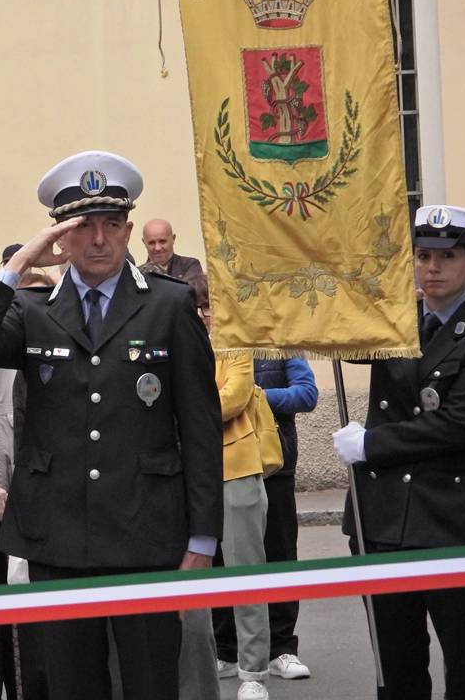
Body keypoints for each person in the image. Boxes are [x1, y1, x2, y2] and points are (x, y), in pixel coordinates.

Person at [0, 151, 223, 700]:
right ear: (60, 236)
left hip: (147, 532)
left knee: (151, 683)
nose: (99, 239)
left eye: (112, 225)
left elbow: (200, 426)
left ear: (128, 231)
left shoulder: (168, 305)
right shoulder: (32, 308)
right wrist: (19, 263)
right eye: (83, 226)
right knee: (71, 685)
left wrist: (202, 537)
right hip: (59, 537)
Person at [333, 204, 465, 700]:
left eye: (447, 256)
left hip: (452, 523)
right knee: (396, 668)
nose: (432, 268)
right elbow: (338, 336)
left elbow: (457, 423)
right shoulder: (397, 320)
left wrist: (370, 444)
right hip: (384, 521)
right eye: (423, 256)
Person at [187, 275, 270, 700]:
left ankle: (254, 672)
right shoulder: (177, 344)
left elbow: (232, 399)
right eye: (198, 307)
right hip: (188, 475)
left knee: (245, 572)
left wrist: (183, 411)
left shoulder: (236, 346)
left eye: (209, 306)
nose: (204, 315)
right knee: (192, 576)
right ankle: (213, 657)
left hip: (235, 468)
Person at [214, 357, 318, 682]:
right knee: (222, 559)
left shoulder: (279, 344)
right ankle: (226, 650)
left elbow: (306, 394)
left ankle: (281, 648)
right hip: (226, 464)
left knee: (279, 555)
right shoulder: (212, 345)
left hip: (272, 461)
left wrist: (255, 395)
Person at [138, 219, 204, 281]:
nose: (157, 248)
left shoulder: (190, 265)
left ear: (173, 239)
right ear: (144, 242)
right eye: (151, 243)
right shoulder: (137, 273)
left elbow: (190, 289)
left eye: (162, 241)